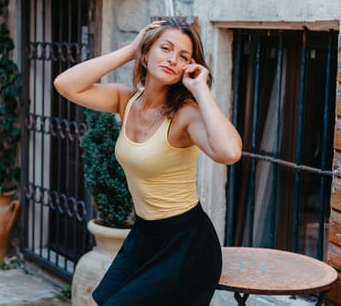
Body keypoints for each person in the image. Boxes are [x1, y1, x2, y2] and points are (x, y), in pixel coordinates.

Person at [54, 18, 242, 306]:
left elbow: (229, 152)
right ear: (147, 52)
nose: (172, 59)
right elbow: (65, 84)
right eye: (164, 48)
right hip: (144, 235)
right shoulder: (126, 99)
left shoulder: (184, 115)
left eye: (183, 57)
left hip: (186, 244)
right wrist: (130, 49)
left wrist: (200, 90)